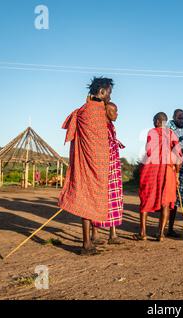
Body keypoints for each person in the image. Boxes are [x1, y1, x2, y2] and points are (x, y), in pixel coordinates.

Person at [59, 77, 116, 255]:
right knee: (88, 201)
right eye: (109, 93)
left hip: (91, 163)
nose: (110, 96)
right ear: (102, 92)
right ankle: (86, 244)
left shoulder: (84, 110)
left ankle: (89, 241)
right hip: (93, 164)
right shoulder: (97, 111)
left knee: (88, 200)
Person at [137, 112, 183, 241]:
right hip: (168, 171)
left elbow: (149, 151)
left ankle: (143, 233)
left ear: (158, 121)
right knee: (166, 202)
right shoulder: (172, 134)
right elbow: (179, 154)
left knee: (146, 199)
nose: (153, 122)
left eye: (153, 120)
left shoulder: (152, 132)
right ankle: (161, 233)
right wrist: (177, 174)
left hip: (152, 169)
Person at [90, 102, 125, 245]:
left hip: (113, 169)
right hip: (102, 168)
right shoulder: (100, 127)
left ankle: (113, 234)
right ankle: (95, 234)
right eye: (114, 111)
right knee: (99, 200)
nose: (117, 114)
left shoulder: (111, 127)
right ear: (106, 111)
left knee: (115, 199)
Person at [167, 109, 183, 238]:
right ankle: (165, 228)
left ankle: (169, 228)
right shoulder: (169, 131)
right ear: (173, 117)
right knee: (170, 198)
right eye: (179, 118)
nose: (181, 120)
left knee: (177, 199)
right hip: (172, 167)